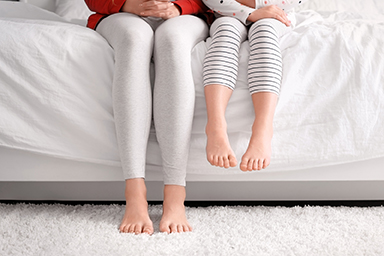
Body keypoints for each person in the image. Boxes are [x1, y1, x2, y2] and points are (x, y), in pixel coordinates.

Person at [85, 0, 212, 234]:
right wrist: (126, 5)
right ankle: (134, 193)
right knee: (134, 38)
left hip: (184, 14)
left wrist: (179, 6)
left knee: (173, 40)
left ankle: (175, 194)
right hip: (122, 14)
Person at [202, 0, 304, 171]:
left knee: (264, 31)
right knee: (226, 32)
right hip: (225, 12)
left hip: (277, 13)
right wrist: (247, 12)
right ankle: (215, 125)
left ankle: (263, 129)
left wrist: (257, 9)